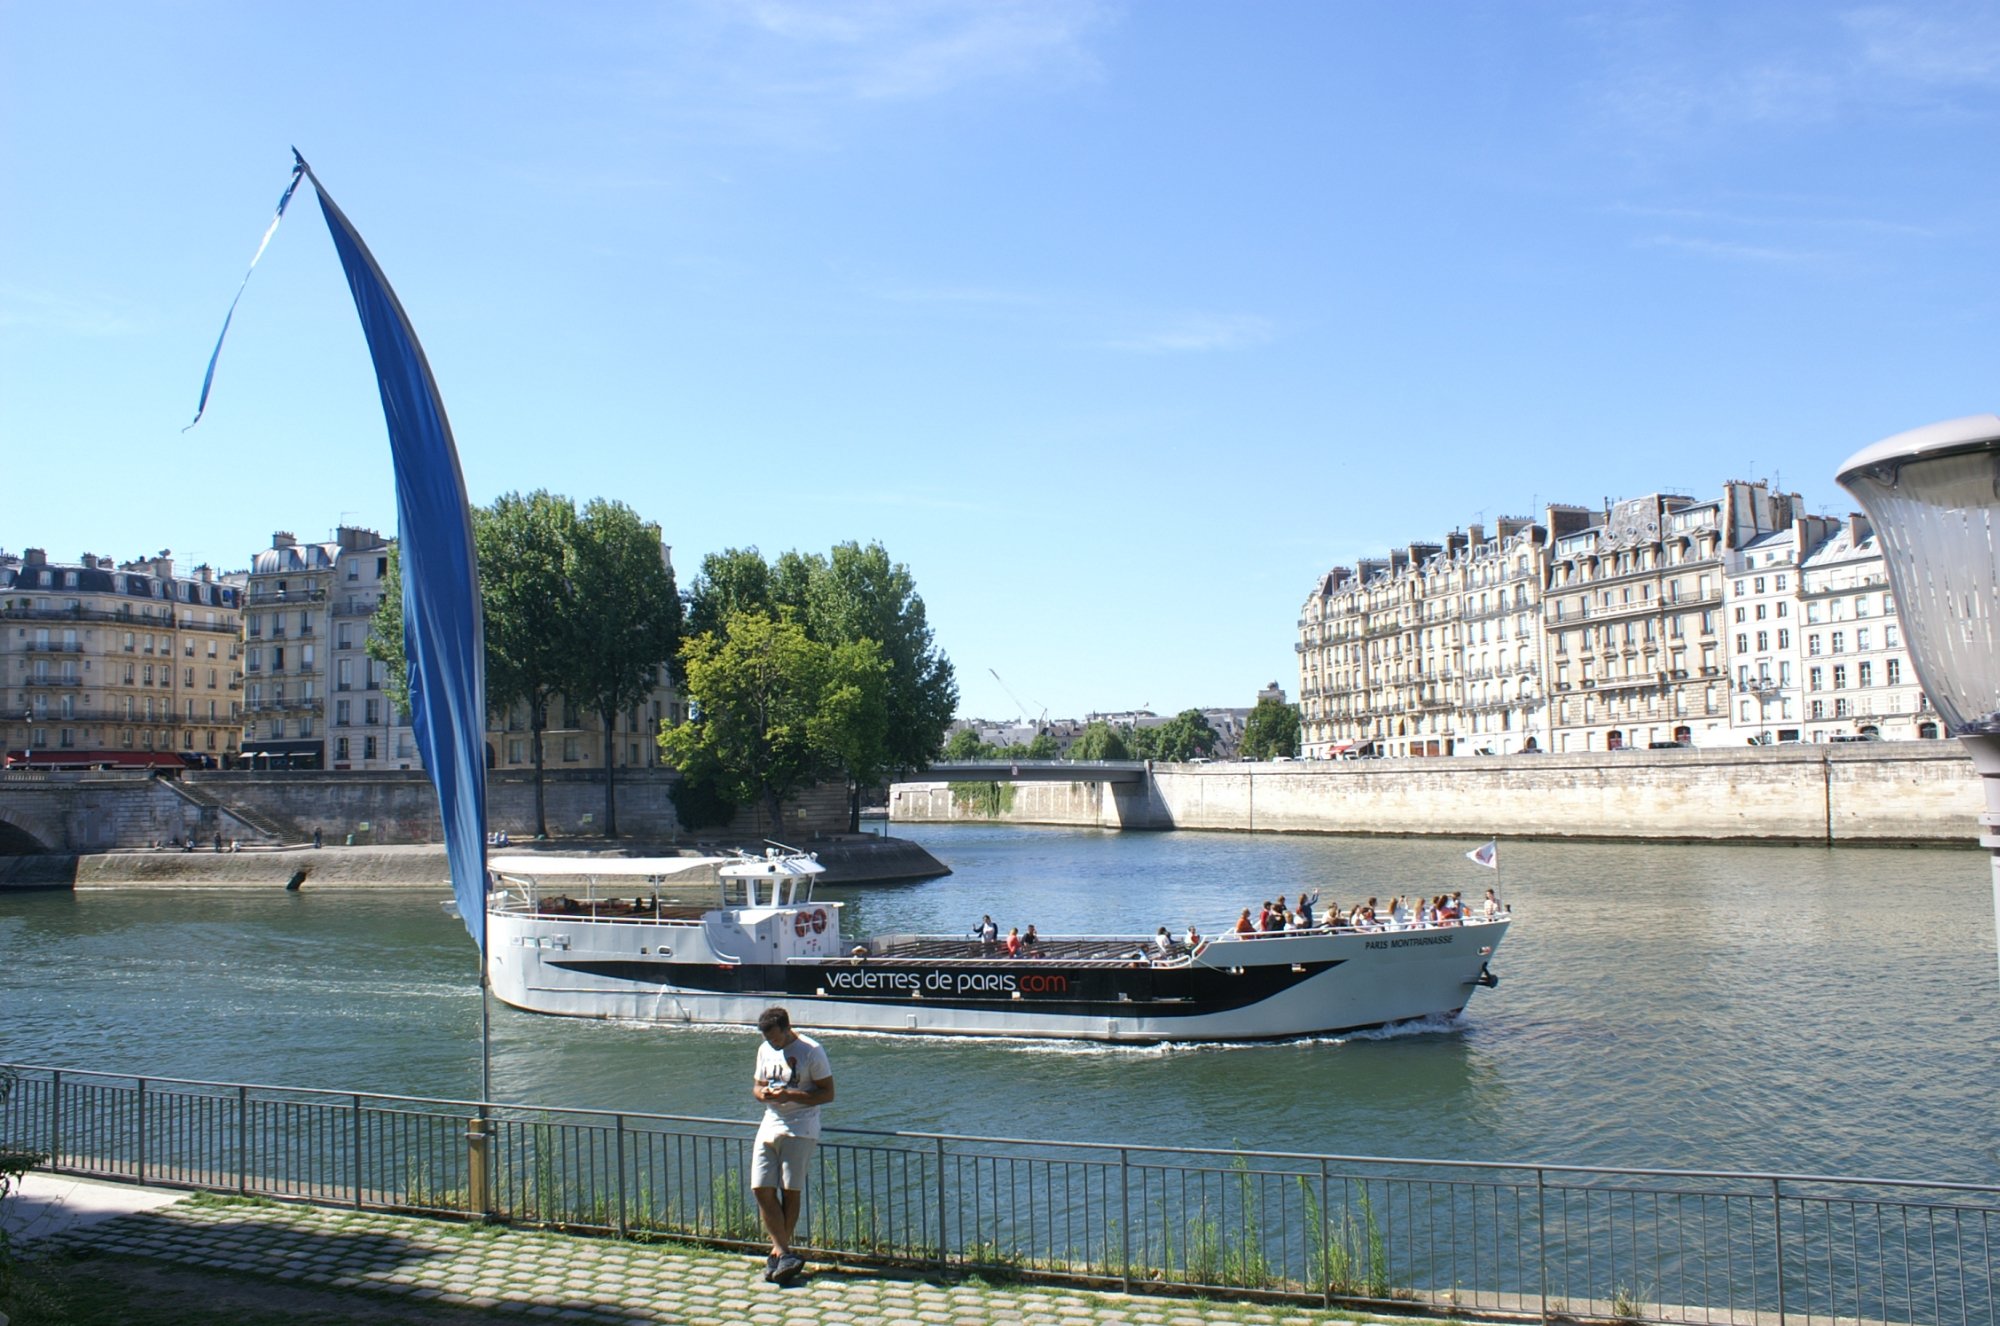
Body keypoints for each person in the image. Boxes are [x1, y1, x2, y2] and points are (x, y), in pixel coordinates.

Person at [750, 1007, 834, 1284]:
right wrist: (764, 1094)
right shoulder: (764, 1049)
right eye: (769, 1039)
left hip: (801, 1126)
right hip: (770, 1122)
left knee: (790, 1190)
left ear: (787, 1028)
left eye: (776, 1038)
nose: (773, 1043)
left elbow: (827, 1093)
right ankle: (784, 1253)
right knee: (760, 1187)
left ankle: (779, 1255)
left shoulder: (812, 1050)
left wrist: (790, 1094)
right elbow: (757, 1086)